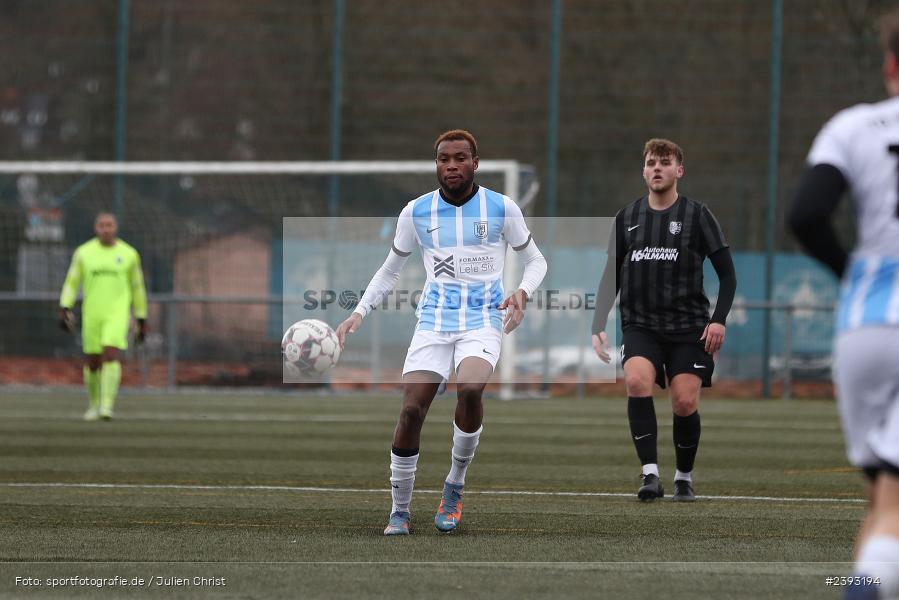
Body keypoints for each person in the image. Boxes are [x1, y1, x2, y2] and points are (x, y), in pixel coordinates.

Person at [336, 129, 547, 535]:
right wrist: (358, 313)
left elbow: (536, 261)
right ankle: (400, 509)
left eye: (460, 158)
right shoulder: (416, 212)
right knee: (412, 409)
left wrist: (522, 290)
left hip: (483, 318)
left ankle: (454, 485)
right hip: (434, 320)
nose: (451, 165)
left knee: (470, 388)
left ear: (475, 163)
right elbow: (389, 270)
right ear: (437, 164)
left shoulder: (502, 208)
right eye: (444, 159)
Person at [789, 8, 899, 599]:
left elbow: (806, 214)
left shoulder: (854, 126)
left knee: (885, 495)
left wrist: (853, 273)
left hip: (868, 326)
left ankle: (861, 584)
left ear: (889, 64)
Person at [591, 138, 736, 503]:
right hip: (641, 326)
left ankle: (683, 477)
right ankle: (650, 474)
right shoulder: (627, 218)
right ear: (643, 171)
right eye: (651, 163)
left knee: (684, 402)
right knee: (637, 381)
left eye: (665, 162)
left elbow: (728, 276)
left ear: (678, 170)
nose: (657, 168)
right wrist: (597, 325)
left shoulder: (698, 215)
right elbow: (611, 274)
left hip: (689, 328)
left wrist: (718, 320)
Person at [59, 212, 148, 421]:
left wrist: (142, 317)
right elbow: (72, 282)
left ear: (116, 228)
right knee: (93, 361)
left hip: (117, 313)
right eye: (102, 225)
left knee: (111, 353)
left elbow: (138, 288)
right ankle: (93, 404)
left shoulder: (129, 254)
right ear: (95, 228)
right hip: (92, 313)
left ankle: (107, 406)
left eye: (109, 225)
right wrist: (64, 307)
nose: (106, 229)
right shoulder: (84, 253)